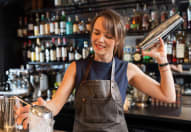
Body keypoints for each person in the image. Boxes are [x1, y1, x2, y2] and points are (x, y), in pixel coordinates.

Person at [16, 9, 176, 132]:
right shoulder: (76, 67)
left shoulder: (127, 69)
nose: (100, 39)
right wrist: (39, 110)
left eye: (108, 35)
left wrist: (162, 60)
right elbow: (55, 106)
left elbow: (168, 96)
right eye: (96, 33)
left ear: (118, 40)